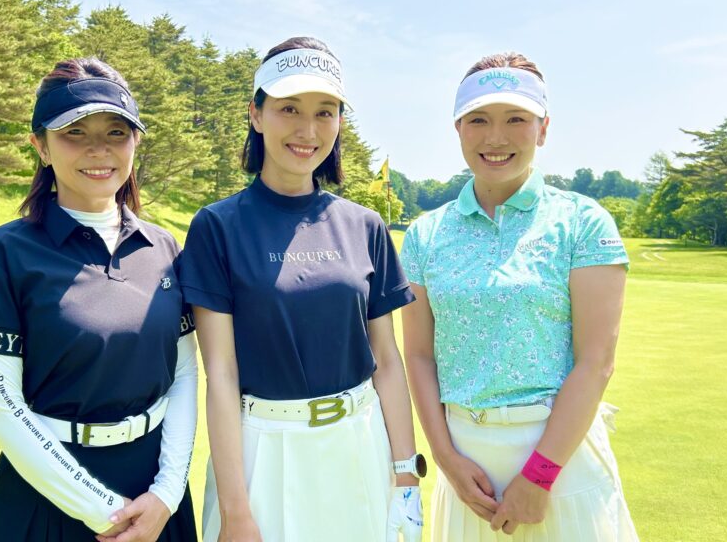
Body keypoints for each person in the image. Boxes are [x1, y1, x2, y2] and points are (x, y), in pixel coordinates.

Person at [179, 36, 426, 542]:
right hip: (263, 451)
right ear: (256, 114)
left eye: (324, 112)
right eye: (289, 108)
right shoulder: (217, 226)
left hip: (359, 444)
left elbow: (386, 359)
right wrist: (235, 511)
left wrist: (405, 474)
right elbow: (221, 374)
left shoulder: (365, 226)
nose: (307, 130)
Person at [0, 57, 199, 542]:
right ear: (41, 146)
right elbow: (0, 404)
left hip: (155, 499)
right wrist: (103, 510)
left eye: (116, 133)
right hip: (45, 499)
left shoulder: (164, 247)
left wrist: (167, 492)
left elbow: (185, 373)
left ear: (135, 143)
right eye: (74, 133)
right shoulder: (3, 253)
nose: (98, 150)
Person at [400, 52, 640, 541]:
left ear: (543, 128)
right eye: (478, 120)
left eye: (516, 119)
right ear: (458, 129)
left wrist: (539, 476)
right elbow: (420, 355)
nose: (496, 137)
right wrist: (445, 458)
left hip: (559, 460)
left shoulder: (582, 222)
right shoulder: (425, 234)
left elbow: (596, 362)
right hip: (465, 465)